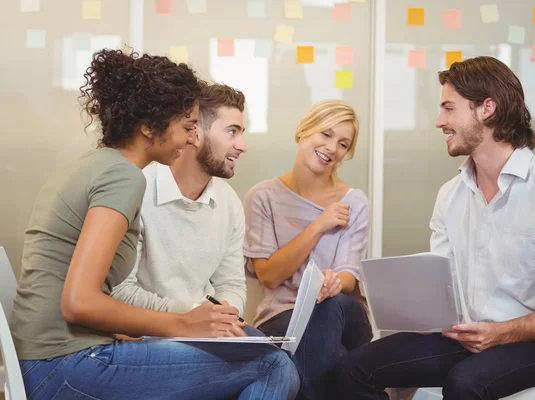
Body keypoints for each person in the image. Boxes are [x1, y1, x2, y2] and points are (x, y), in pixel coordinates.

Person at [10, 49, 299, 400]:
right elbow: (78, 302)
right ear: (149, 127)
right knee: (272, 364)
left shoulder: (97, 165)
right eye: (187, 127)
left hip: (48, 359)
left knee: (258, 355)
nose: (190, 138)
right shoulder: (124, 178)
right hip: (67, 363)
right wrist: (184, 323)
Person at [335, 56, 535, 400]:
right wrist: (404, 299)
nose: (439, 121)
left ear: (486, 108)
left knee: (464, 382)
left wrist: (501, 332)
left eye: (449, 109)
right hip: (470, 338)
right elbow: (445, 287)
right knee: (351, 369)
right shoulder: (451, 195)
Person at [244, 99, 373, 399]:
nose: (332, 148)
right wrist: (318, 225)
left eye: (343, 144)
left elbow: (349, 277)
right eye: (325, 134)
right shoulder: (263, 197)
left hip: (344, 316)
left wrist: (332, 283)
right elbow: (269, 276)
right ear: (304, 131)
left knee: (329, 305)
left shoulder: (354, 203)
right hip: (282, 317)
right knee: (340, 362)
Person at [111, 83, 249, 316]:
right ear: (195, 133)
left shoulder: (229, 202)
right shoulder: (138, 190)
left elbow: (231, 284)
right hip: (149, 330)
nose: (242, 146)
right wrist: (194, 315)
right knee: (272, 355)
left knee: (270, 349)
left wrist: (226, 315)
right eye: (232, 131)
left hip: (204, 328)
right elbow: (120, 290)